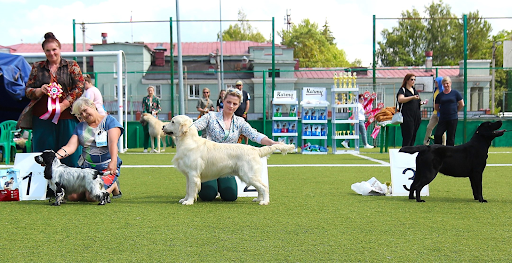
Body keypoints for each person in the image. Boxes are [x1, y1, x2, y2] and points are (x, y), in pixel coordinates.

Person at [193, 88, 281, 202]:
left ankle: (220, 185)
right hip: (209, 162)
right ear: (223, 101)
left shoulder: (240, 122)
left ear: (238, 105)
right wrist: (181, 128)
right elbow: (194, 127)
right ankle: (211, 186)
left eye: (235, 104)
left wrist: (271, 143)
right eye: (228, 102)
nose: (231, 106)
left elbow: (254, 134)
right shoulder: (210, 117)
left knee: (230, 196)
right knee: (207, 195)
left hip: (229, 164)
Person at [17, 32, 84, 167]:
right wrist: (39, 90)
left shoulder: (72, 65)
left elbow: (79, 87)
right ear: (44, 51)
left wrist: (64, 105)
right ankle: (42, 186)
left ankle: (72, 186)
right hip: (42, 118)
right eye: (48, 50)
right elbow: (28, 91)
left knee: (70, 153)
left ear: (59, 49)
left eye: (54, 49)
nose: (51, 53)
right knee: (42, 154)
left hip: (68, 116)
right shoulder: (37, 67)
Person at [56, 97, 123, 201]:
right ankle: (93, 189)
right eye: (80, 114)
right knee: (72, 197)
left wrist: (114, 161)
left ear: (92, 106)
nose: (84, 115)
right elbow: (70, 147)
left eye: (85, 110)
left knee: (92, 196)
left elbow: (112, 143)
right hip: (86, 169)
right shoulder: (80, 127)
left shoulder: (110, 121)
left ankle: (113, 185)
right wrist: (55, 157)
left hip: (106, 168)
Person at [434, 76, 464, 146]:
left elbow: (461, 104)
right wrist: (442, 111)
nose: (446, 85)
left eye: (447, 83)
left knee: (451, 137)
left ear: (450, 83)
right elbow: (436, 107)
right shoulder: (440, 95)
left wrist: (456, 110)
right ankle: (438, 150)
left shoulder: (455, 93)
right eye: (444, 84)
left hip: (453, 118)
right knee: (437, 134)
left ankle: (449, 153)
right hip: (443, 118)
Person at [397, 73, 422, 147]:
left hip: (416, 116)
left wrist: (421, 102)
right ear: (407, 80)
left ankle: (410, 151)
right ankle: (405, 151)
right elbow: (400, 99)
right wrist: (412, 97)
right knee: (408, 135)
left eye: (414, 80)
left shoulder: (414, 90)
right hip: (407, 116)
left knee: (413, 135)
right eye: (411, 79)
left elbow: (416, 101)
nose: (413, 81)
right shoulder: (403, 90)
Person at [423, 77, 446, 145]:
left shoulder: (442, 91)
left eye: (436, 82)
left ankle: (444, 144)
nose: (435, 84)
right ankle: (426, 143)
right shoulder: (436, 90)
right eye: (435, 82)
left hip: (441, 113)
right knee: (429, 127)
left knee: (442, 130)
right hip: (435, 113)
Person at [142, 86, 161, 153]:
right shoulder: (145, 99)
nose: (150, 92)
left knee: (155, 132)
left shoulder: (156, 99)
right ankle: (145, 147)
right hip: (147, 117)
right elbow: (144, 108)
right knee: (146, 132)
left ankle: (154, 148)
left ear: (153, 91)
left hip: (154, 118)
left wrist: (155, 112)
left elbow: (159, 108)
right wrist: (146, 114)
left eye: (151, 90)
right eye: (149, 91)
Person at [233, 80, 251, 144]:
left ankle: (246, 143)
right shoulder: (234, 94)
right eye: (237, 85)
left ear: (242, 86)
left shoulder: (245, 93)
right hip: (235, 114)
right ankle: (236, 143)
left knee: (245, 129)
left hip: (243, 114)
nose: (238, 87)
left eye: (240, 85)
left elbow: (248, 103)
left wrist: (245, 112)